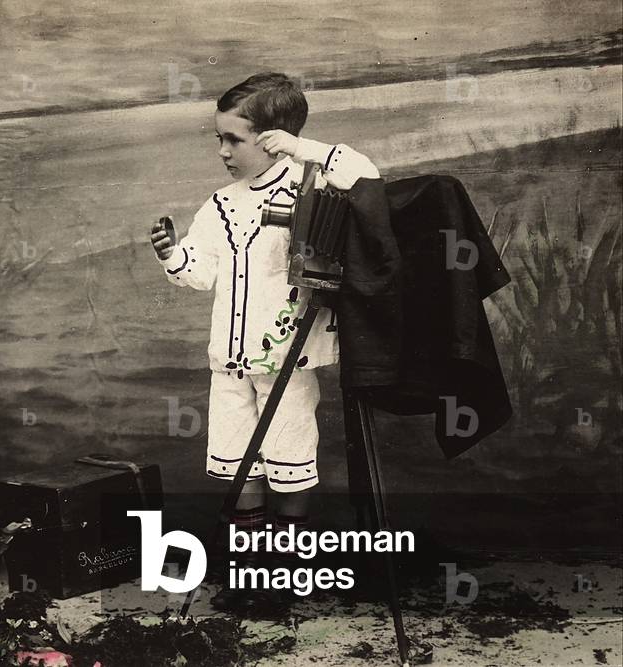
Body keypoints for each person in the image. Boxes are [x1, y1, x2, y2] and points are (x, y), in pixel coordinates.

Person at [149, 72, 379, 610]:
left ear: (274, 139)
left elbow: (367, 178)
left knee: (288, 464)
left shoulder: (313, 187)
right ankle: (251, 573)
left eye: (235, 139)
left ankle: (286, 573)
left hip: (288, 360)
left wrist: (304, 148)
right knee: (238, 465)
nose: (223, 151)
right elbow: (201, 272)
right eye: (219, 139)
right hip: (229, 361)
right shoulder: (220, 204)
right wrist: (172, 255)